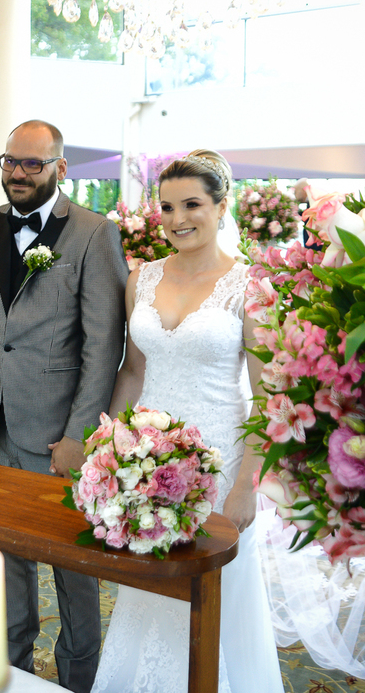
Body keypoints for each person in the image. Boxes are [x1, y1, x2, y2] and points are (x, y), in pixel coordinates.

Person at [0, 119, 128, 693]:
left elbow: (104, 346)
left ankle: (78, 678)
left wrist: (80, 435)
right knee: (3, 555)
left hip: (57, 435)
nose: (17, 173)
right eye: (10, 161)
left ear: (59, 168)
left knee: (73, 566)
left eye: (32, 163)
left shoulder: (94, 233)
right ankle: (14, 671)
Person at [91, 150, 283, 693]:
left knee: (212, 590)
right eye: (168, 207)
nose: (178, 219)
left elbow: (269, 396)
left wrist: (245, 486)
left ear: (222, 206)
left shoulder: (252, 286)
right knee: (150, 581)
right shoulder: (142, 278)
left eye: (192, 204)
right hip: (145, 460)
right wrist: (111, 450)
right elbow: (133, 371)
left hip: (219, 460)